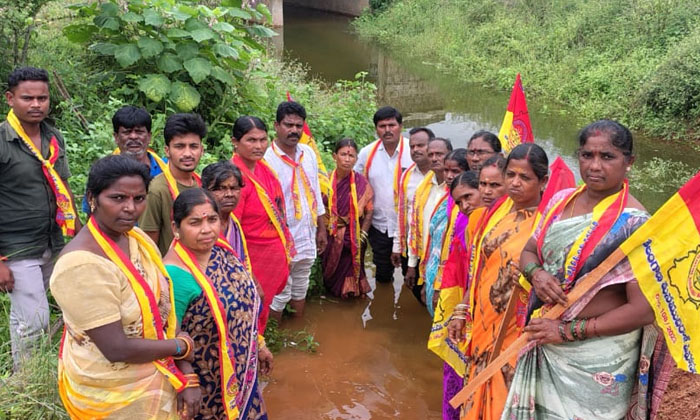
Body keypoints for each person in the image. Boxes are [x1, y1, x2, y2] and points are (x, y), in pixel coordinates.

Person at [502, 120, 672, 419]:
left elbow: (643, 310)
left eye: (607, 157)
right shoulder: (559, 202)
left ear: (628, 162)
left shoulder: (635, 224)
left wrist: (566, 331)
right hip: (546, 342)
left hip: (597, 362)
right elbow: (529, 251)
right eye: (587, 155)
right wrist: (536, 274)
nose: (595, 166)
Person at [50, 155, 199, 419]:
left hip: (157, 373)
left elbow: (162, 308)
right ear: (93, 199)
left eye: (139, 199)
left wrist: (186, 372)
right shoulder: (79, 266)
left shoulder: (136, 238)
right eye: (118, 198)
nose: (130, 208)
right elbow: (116, 348)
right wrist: (180, 347)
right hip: (111, 394)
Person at [448, 146, 547, 420]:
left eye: (525, 177)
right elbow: (478, 267)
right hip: (482, 324)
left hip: (515, 330)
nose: (515, 183)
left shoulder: (547, 225)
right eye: (511, 175)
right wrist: (462, 309)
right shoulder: (495, 215)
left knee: (503, 399)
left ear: (543, 181)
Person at [164, 188, 271, 419]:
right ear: (176, 228)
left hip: (243, 368)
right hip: (206, 383)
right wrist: (188, 381)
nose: (207, 229)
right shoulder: (174, 275)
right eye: (194, 222)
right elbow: (168, 336)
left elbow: (244, 305)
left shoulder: (222, 251)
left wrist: (258, 344)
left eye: (212, 220)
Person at [0, 67, 81, 370]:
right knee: (35, 320)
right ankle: (26, 382)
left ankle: (49, 372)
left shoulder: (53, 136)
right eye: (27, 98)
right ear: (10, 99)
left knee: (60, 308)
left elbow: (63, 185)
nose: (36, 105)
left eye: (42, 98)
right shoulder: (2, 141)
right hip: (17, 247)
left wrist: (80, 235)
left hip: (54, 241)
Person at [231, 116, 294, 332]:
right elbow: (232, 229)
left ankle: (261, 348)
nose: (258, 146)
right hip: (252, 258)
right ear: (235, 142)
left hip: (272, 255)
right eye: (251, 140)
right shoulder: (233, 180)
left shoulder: (264, 169)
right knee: (249, 312)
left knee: (262, 310)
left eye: (262, 140)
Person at [265, 101, 327, 321]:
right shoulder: (266, 160)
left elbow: (316, 194)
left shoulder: (308, 153)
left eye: (298, 126)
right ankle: (273, 338)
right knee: (280, 291)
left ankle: (298, 332)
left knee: (301, 283)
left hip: (307, 233)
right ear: (276, 125)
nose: (294, 130)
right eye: (288, 125)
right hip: (280, 237)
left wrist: (322, 228)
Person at [428, 170, 481, 420]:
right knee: (458, 369)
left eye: (469, 196)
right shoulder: (463, 221)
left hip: (486, 309)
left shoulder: (499, 223)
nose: (465, 205)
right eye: (459, 202)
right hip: (465, 301)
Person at [354, 106, 412, 285]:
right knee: (382, 274)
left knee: (412, 275)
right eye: (382, 126)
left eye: (391, 125)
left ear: (400, 126)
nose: (387, 130)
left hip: (409, 226)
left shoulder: (413, 151)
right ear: (376, 129)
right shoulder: (366, 153)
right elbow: (356, 183)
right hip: (379, 226)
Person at [139, 113, 206, 255]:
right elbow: (149, 246)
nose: (188, 153)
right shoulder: (157, 190)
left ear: (202, 150)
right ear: (167, 151)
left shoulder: (203, 185)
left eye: (193, 146)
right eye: (180, 146)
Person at [82, 106, 168, 213]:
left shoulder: (167, 169)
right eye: (127, 132)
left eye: (139, 132)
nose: (133, 137)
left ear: (149, 136)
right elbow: (92, 214)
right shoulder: (103, 172)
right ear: (116, 137)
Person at [322, 138, 374, 298]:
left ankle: (351, 293)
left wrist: (362, 235)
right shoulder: (325, 181)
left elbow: (369, 210)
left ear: (356, 159)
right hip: (330, 235)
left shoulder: (361, 182)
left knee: (352, 269)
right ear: (334, 156)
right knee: (331, 273)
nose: (347, 159)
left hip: (353, 236)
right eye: (343, 154)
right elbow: (317, 209)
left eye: (351, 156)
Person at [405, 138, 453, 303]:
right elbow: (415, 227)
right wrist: (412, 264)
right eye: (431, 154)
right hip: (425, 262)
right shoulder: (424, 188)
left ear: (450, 155)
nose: (434, 158)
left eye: (439, 154)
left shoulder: (460, 192)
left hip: (449, 268)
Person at [392, 126, 434, 300]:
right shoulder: (407, 176)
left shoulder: (445, 175)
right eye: (412, 146)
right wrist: (397, 246)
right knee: (417, 291)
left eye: (421, 145)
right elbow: (402, 214)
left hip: (437, 250)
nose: (416, 150)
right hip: (412, 248)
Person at [201, 161, 251, 271]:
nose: (229, 194)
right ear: (205, 191)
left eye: (234, 188)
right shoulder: (201, 226)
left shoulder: (233, 223)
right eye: (220, 189)